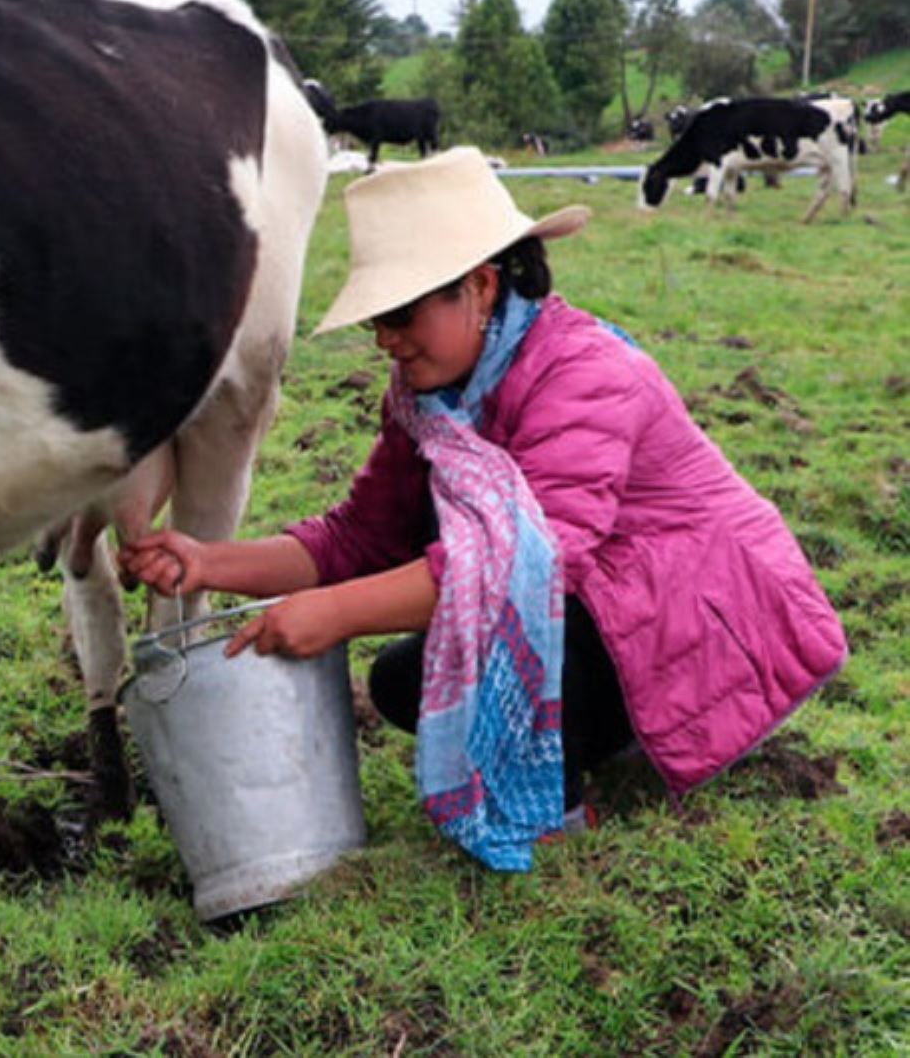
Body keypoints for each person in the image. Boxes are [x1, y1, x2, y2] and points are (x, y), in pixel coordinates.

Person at [120, 147, 847, 869]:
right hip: (612, 606)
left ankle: (566, 806)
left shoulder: (585, 373)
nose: (385, 340)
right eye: (377, 319)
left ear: (480, 287)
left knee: (469, 625)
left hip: (705, 620)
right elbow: (361, 535)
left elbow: (537, 562)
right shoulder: (427, 399)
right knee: (405, 680)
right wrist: (208, 561)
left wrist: (331, 612)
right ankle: (602, 741)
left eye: (401, 313)